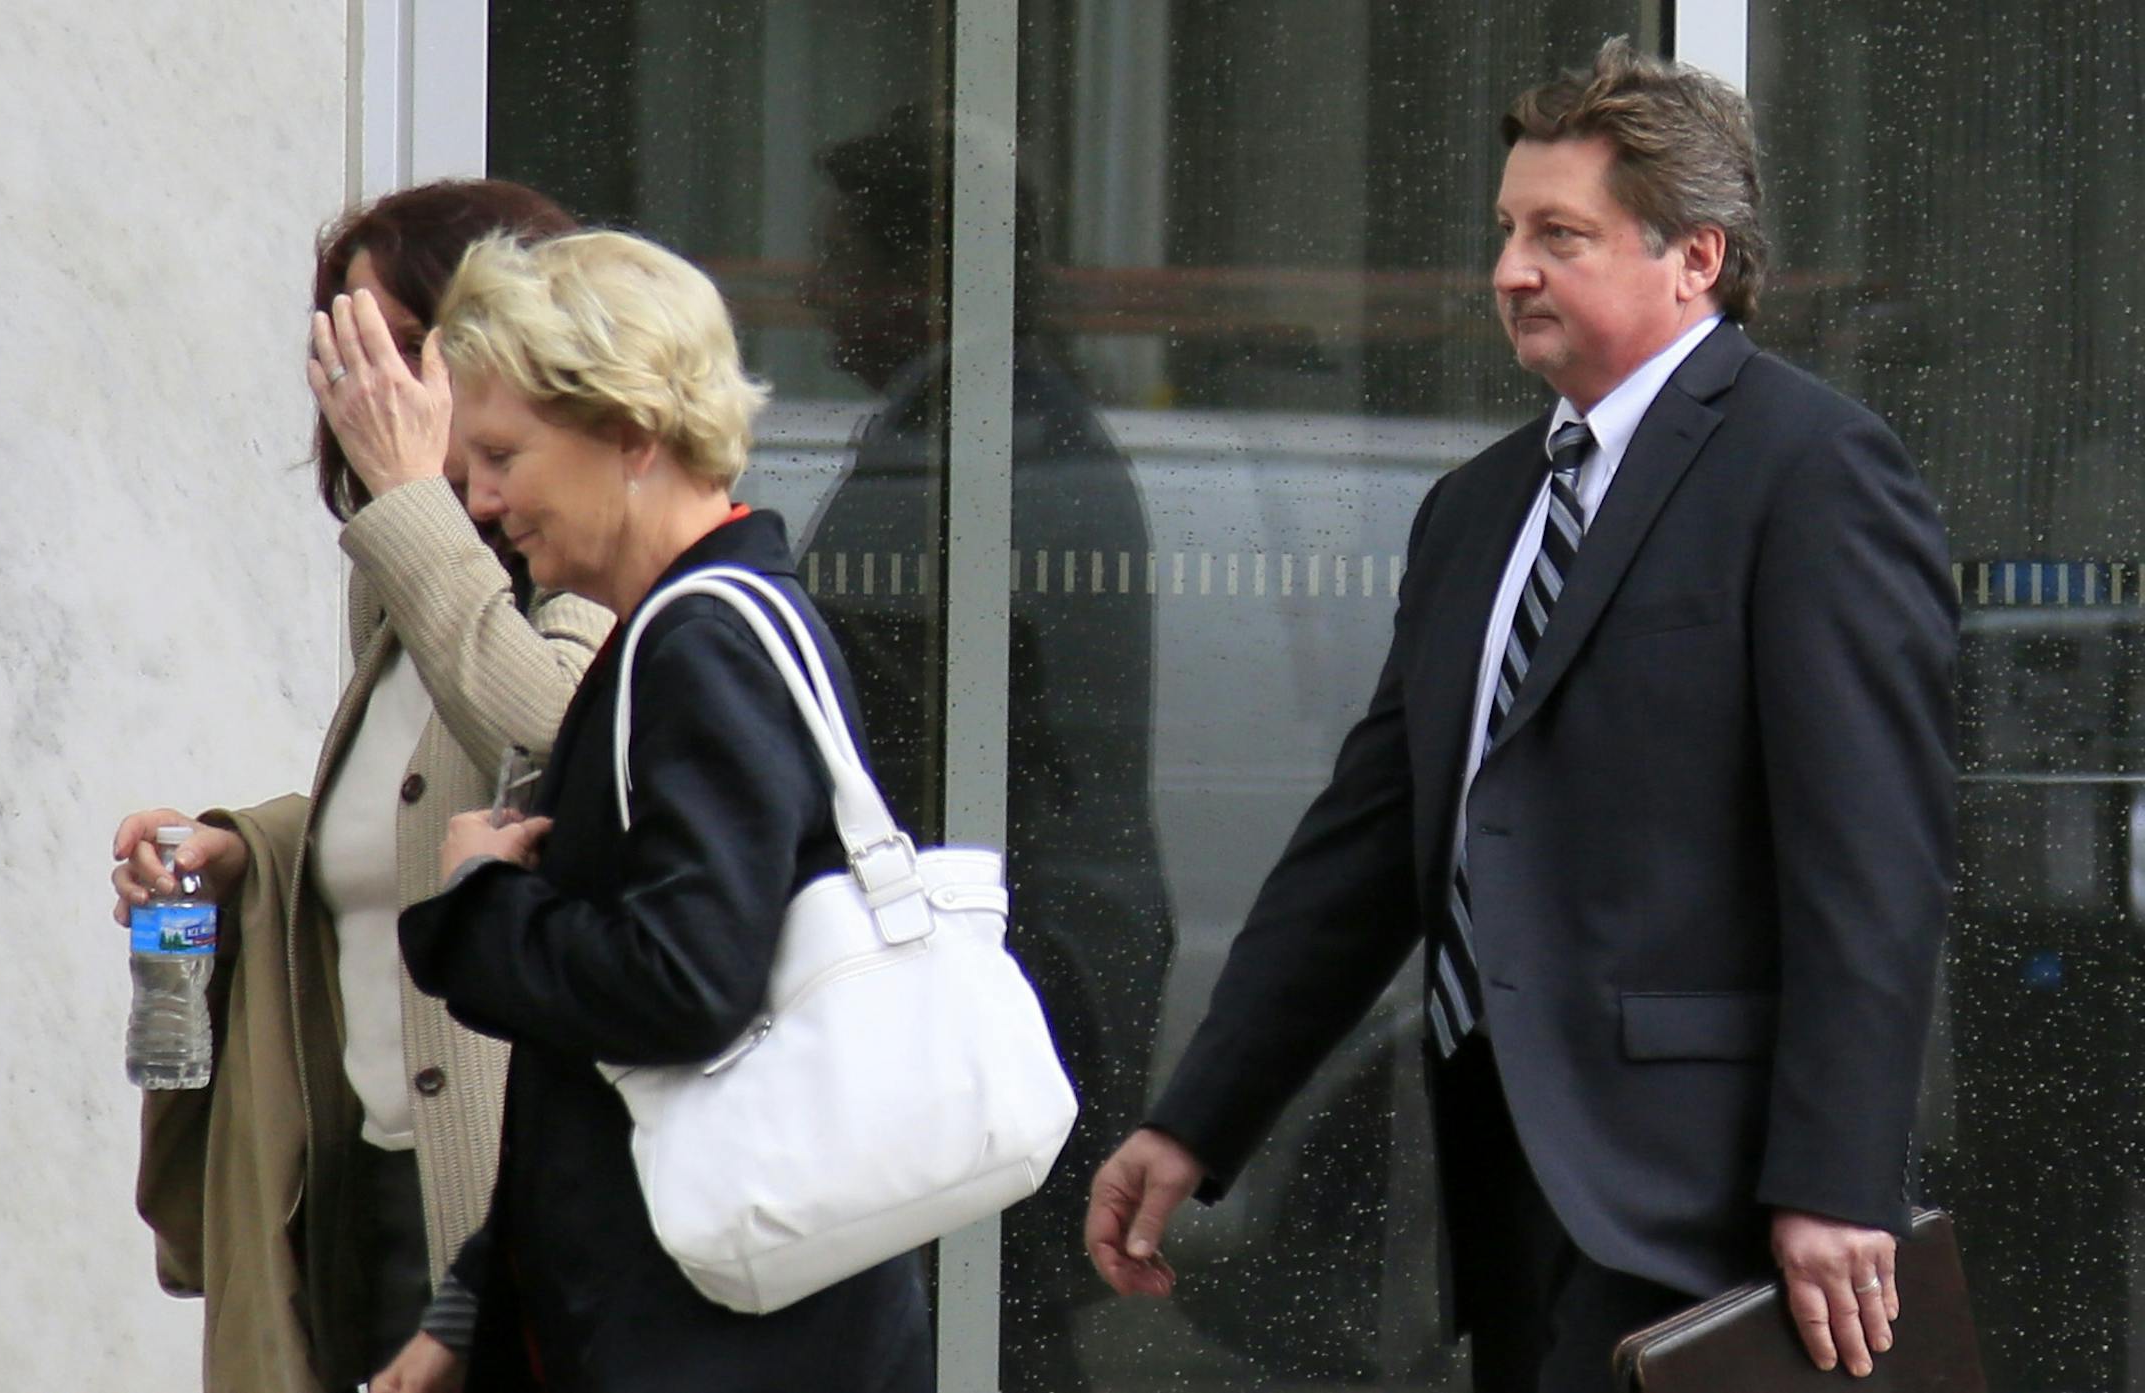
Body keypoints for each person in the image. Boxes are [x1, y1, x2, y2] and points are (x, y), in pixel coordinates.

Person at [1084, 38, 1957, 1393]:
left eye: (1561, 235)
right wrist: (1199, 1117)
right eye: (1505, 231)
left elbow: (1871, 860)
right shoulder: (1477, 510)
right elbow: (1371, 847)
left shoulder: (1814, 473)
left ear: (1696, 260)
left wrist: (1838, 1180)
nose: (1509, 271)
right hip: (1501, 1196)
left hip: (1705, 1205)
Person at [379, 229, 932, 1393]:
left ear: (632, 435)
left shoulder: (698, 644)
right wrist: (478, 1301)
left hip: (710, 1340)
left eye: (501, 455)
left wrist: (481, 899)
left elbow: (682, 983)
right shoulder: (700, 626)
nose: (480, 499)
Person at [109, 180, 610, 1393]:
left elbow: (550, 728)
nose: (359, 389)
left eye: (389, 349)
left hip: (515, 1208)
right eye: (340, 349)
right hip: (369, 1171)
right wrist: (245, 849)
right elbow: (413, 800)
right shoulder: (406, 571)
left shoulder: (593, 555)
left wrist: (413, 503)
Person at [800, 105, 1175, 1389]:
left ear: (926, 277)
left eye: (843, 258)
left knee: (985, 1331)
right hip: (1042, 946)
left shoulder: (976, 446)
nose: (813, 288)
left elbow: (889, 724)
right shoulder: (987, 424)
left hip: (1015, 961)